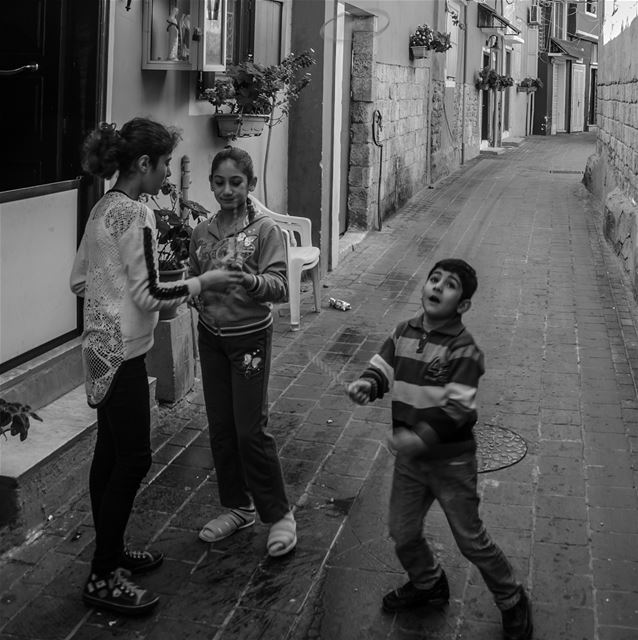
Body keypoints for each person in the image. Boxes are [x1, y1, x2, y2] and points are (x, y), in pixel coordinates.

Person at [70, 118, 244, 616]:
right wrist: (203, 281)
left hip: (99, 347)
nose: (167, 172)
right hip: (124, 353)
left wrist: (112, 300)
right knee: (135, 458)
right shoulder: (137, 216)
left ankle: (112, 546)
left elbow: (81, 280)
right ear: (143, 164)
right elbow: (151, 293)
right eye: (165, 162)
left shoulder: (103, 207)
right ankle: (104, 574)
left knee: (110, 452)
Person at [347, 259, 533, 640]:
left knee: (471, 539)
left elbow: (459, 409)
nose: (437, 287)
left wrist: (419, 438)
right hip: (411, 464)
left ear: (462, 305)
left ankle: (512, 598)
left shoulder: (464, 351)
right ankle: (428, 582)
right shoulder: (403, 332)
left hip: (451, 462)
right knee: (402, 531)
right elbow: (383, 366)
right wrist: (369, 384)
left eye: (449, 285)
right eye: (434, 279)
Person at [189, 146, 296, 557]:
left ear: (250, 185)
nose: (227, 190)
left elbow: (281, 287)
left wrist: (251, 282)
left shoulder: (265, 231)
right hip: (211, 339)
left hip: (250, 338)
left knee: (251, 430)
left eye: (236, 182)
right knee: (221, 429)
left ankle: (280, 513)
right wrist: (192, 292)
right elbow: (197, 277)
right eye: (219, 182)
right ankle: (236, 506)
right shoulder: (203, 232)